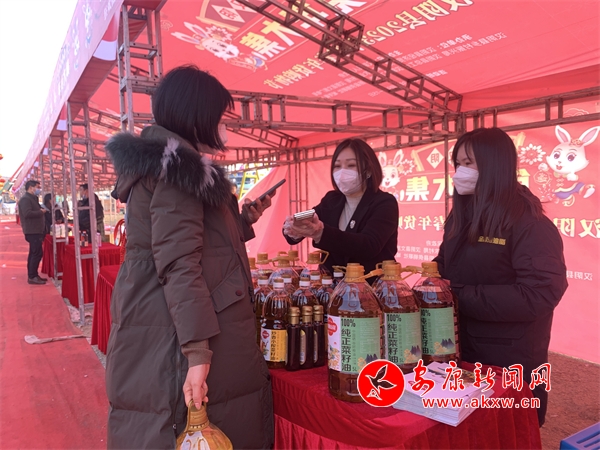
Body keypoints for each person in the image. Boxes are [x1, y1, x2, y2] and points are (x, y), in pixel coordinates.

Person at [104, 65, 274, 449]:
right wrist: (198, 352)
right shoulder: (178, 172)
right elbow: (179, 263)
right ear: (198, 115)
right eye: (219, 116)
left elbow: (195, 241)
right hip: (179, 328)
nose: (223, 126)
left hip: (168, 319)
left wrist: (243, 220)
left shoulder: (173, 167)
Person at [433, 127, 567, 427]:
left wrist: (456, 293)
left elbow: (540, 293)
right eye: (458, 163)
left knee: (505, 432)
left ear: (494, 165)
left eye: (469, 163)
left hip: (508, 360)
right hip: (460, 350)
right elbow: (444, 263)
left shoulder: (529, 222)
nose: (460, 172)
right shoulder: (460, 216)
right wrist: (429, 281)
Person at [282, 138, 399, 276]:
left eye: (351, 165)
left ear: (368, 170)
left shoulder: (384, 203)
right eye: (337, 166)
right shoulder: (331, 199)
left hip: (372, 285)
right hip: (331, 285)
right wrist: (294, 226)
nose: (342, 172)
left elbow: (369, 245)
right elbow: (310, 217)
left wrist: (320, 233)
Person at [17, 180, 47, 285]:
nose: (39, 189)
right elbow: (27, 213)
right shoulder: (26, 199)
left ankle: (33, 274)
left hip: (36, 230)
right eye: (37, 187)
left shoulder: (32, 198)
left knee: (34, 253)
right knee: (37, 253)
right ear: (31, 187)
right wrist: (40, 212)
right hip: (32, 230)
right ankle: (32, 276)